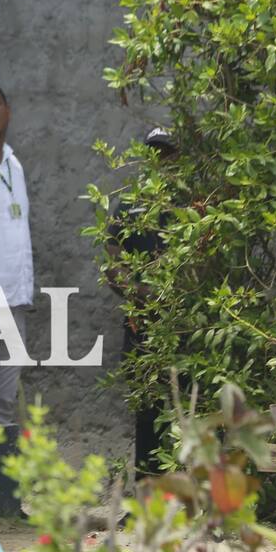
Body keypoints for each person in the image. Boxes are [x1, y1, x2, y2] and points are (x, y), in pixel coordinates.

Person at [105, 127, 175, 478]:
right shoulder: (130, 204)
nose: (159, 160)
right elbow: (112, 259)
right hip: (143, 323)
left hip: (185, 324)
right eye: (153, 153)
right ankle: (148, 497)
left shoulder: (191, 204)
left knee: (193, 403)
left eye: (165, 152)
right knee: (148, 410)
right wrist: (140, 294)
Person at [0, 81, 34, 427]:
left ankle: (1, 477)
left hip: (14, 299)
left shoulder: (15, 166)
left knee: (5, 397)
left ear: (8, 111)